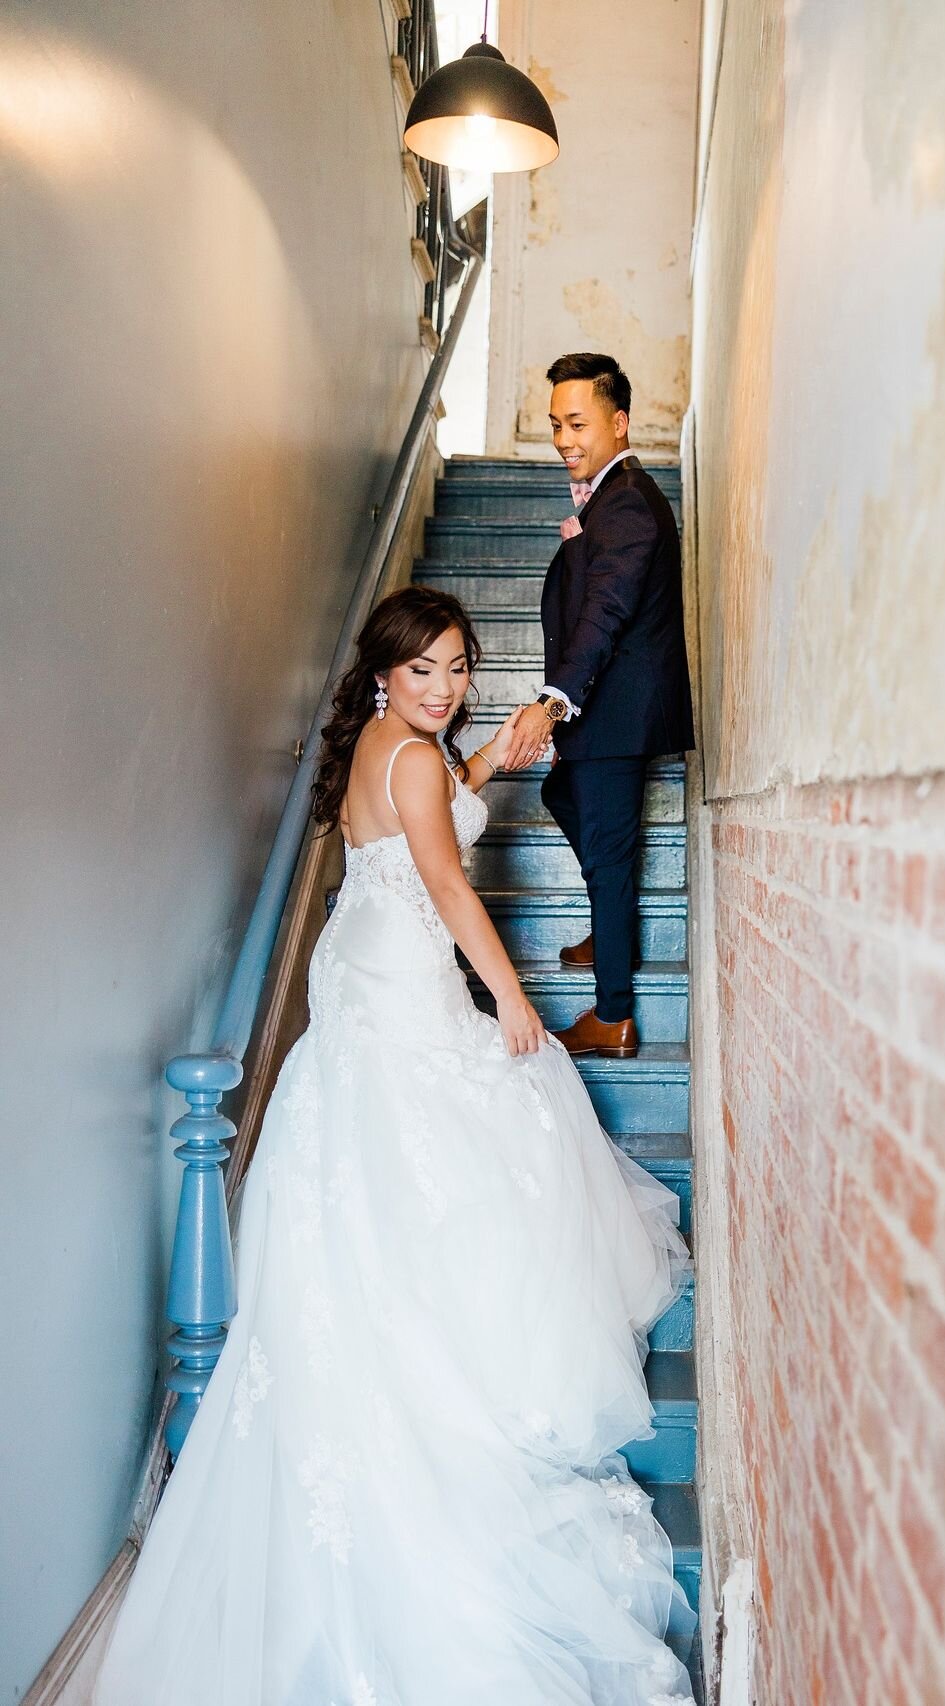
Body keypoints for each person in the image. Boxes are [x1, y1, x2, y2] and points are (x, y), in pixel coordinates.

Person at [94, 586, 696, 1706]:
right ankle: (456, 1348)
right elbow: (449, 884)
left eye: (460, 667)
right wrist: (514, 994)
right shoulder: (415, 756)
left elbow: (426, 820)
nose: (447, 687)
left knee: (375, 1160)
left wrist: (491, 765)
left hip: (356, 974)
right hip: (402, 977)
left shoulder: (389, 745)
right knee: (506, 1104)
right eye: (425, 670)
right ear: (385, 671)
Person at [502, 354, 695, 1060]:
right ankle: (612, 929)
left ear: (618, 423)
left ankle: (612, 1015)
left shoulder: (630, 505)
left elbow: (606, 611)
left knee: (611, 862)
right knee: (560, 792)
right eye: (555, 424)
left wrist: (552, 705)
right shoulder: (610, 499)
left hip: (613, 712)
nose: (562, 439)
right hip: (607, 710)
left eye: (577, 423)